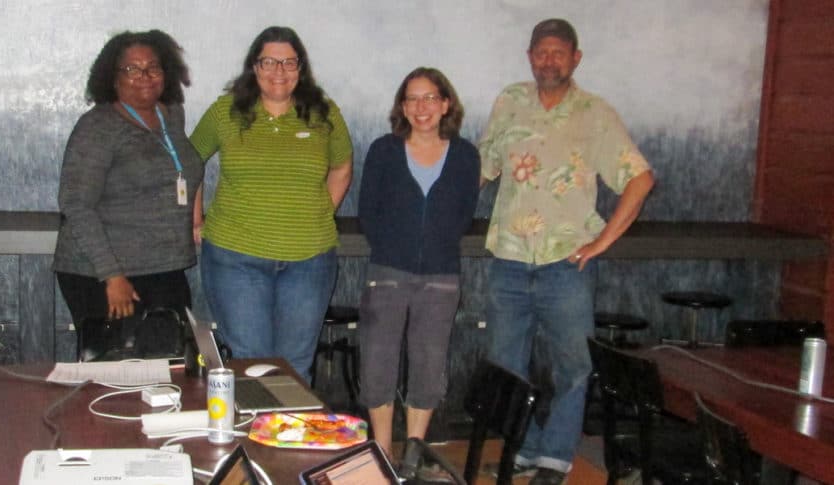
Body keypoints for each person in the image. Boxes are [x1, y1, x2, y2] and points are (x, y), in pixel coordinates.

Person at [478, 19, 655, 485]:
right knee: (504, 365)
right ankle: (523, 449)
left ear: (576, 58)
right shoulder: (509, 102)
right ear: (530, 56)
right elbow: (482, 168)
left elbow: (640, 179)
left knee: (574, 368)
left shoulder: (595, 114)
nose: (549, 59)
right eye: (541, 51)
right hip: (509, 262)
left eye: (559, 52)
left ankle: (555, 459)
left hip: (567, 266)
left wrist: (603, 241)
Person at [190, 26, 353, 380]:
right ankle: (252, 438)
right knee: (252, 364)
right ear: (254, 66)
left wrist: (320, 212)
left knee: (296, 367)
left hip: (309, 262)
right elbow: (191, 163)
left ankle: (287, 437)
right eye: (269, 62)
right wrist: (195, 220)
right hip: (236, 258)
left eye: (289, 62)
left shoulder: (324, 114)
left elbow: (342, 167)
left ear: (301, 68)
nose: (279, 71)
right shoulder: (225, 112)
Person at [357, 67, 480, 460]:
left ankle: (413, 451)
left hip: (442, 276)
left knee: (428, 364)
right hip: (388, 272)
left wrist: (435, 245)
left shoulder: (465, 155)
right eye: (412, 98)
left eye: (430, 98)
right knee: (378, 362)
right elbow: (368, 212)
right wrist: (396, 248)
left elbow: (463, 214)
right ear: (402, 107)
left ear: (446, 104)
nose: (421, 107)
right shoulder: (383, 150)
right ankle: (380, 448)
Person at [53, 30, 203, 337]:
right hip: (105, 274)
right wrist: (112, 276)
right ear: (112, 76)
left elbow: (184, 173)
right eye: (132, 69)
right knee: (118, 373)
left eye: (153, 67)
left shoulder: (171, 115)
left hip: (163, 267)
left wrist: (195, 219)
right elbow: (76, 204)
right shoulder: (99, 127)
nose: (144, 76)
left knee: (169, 363)